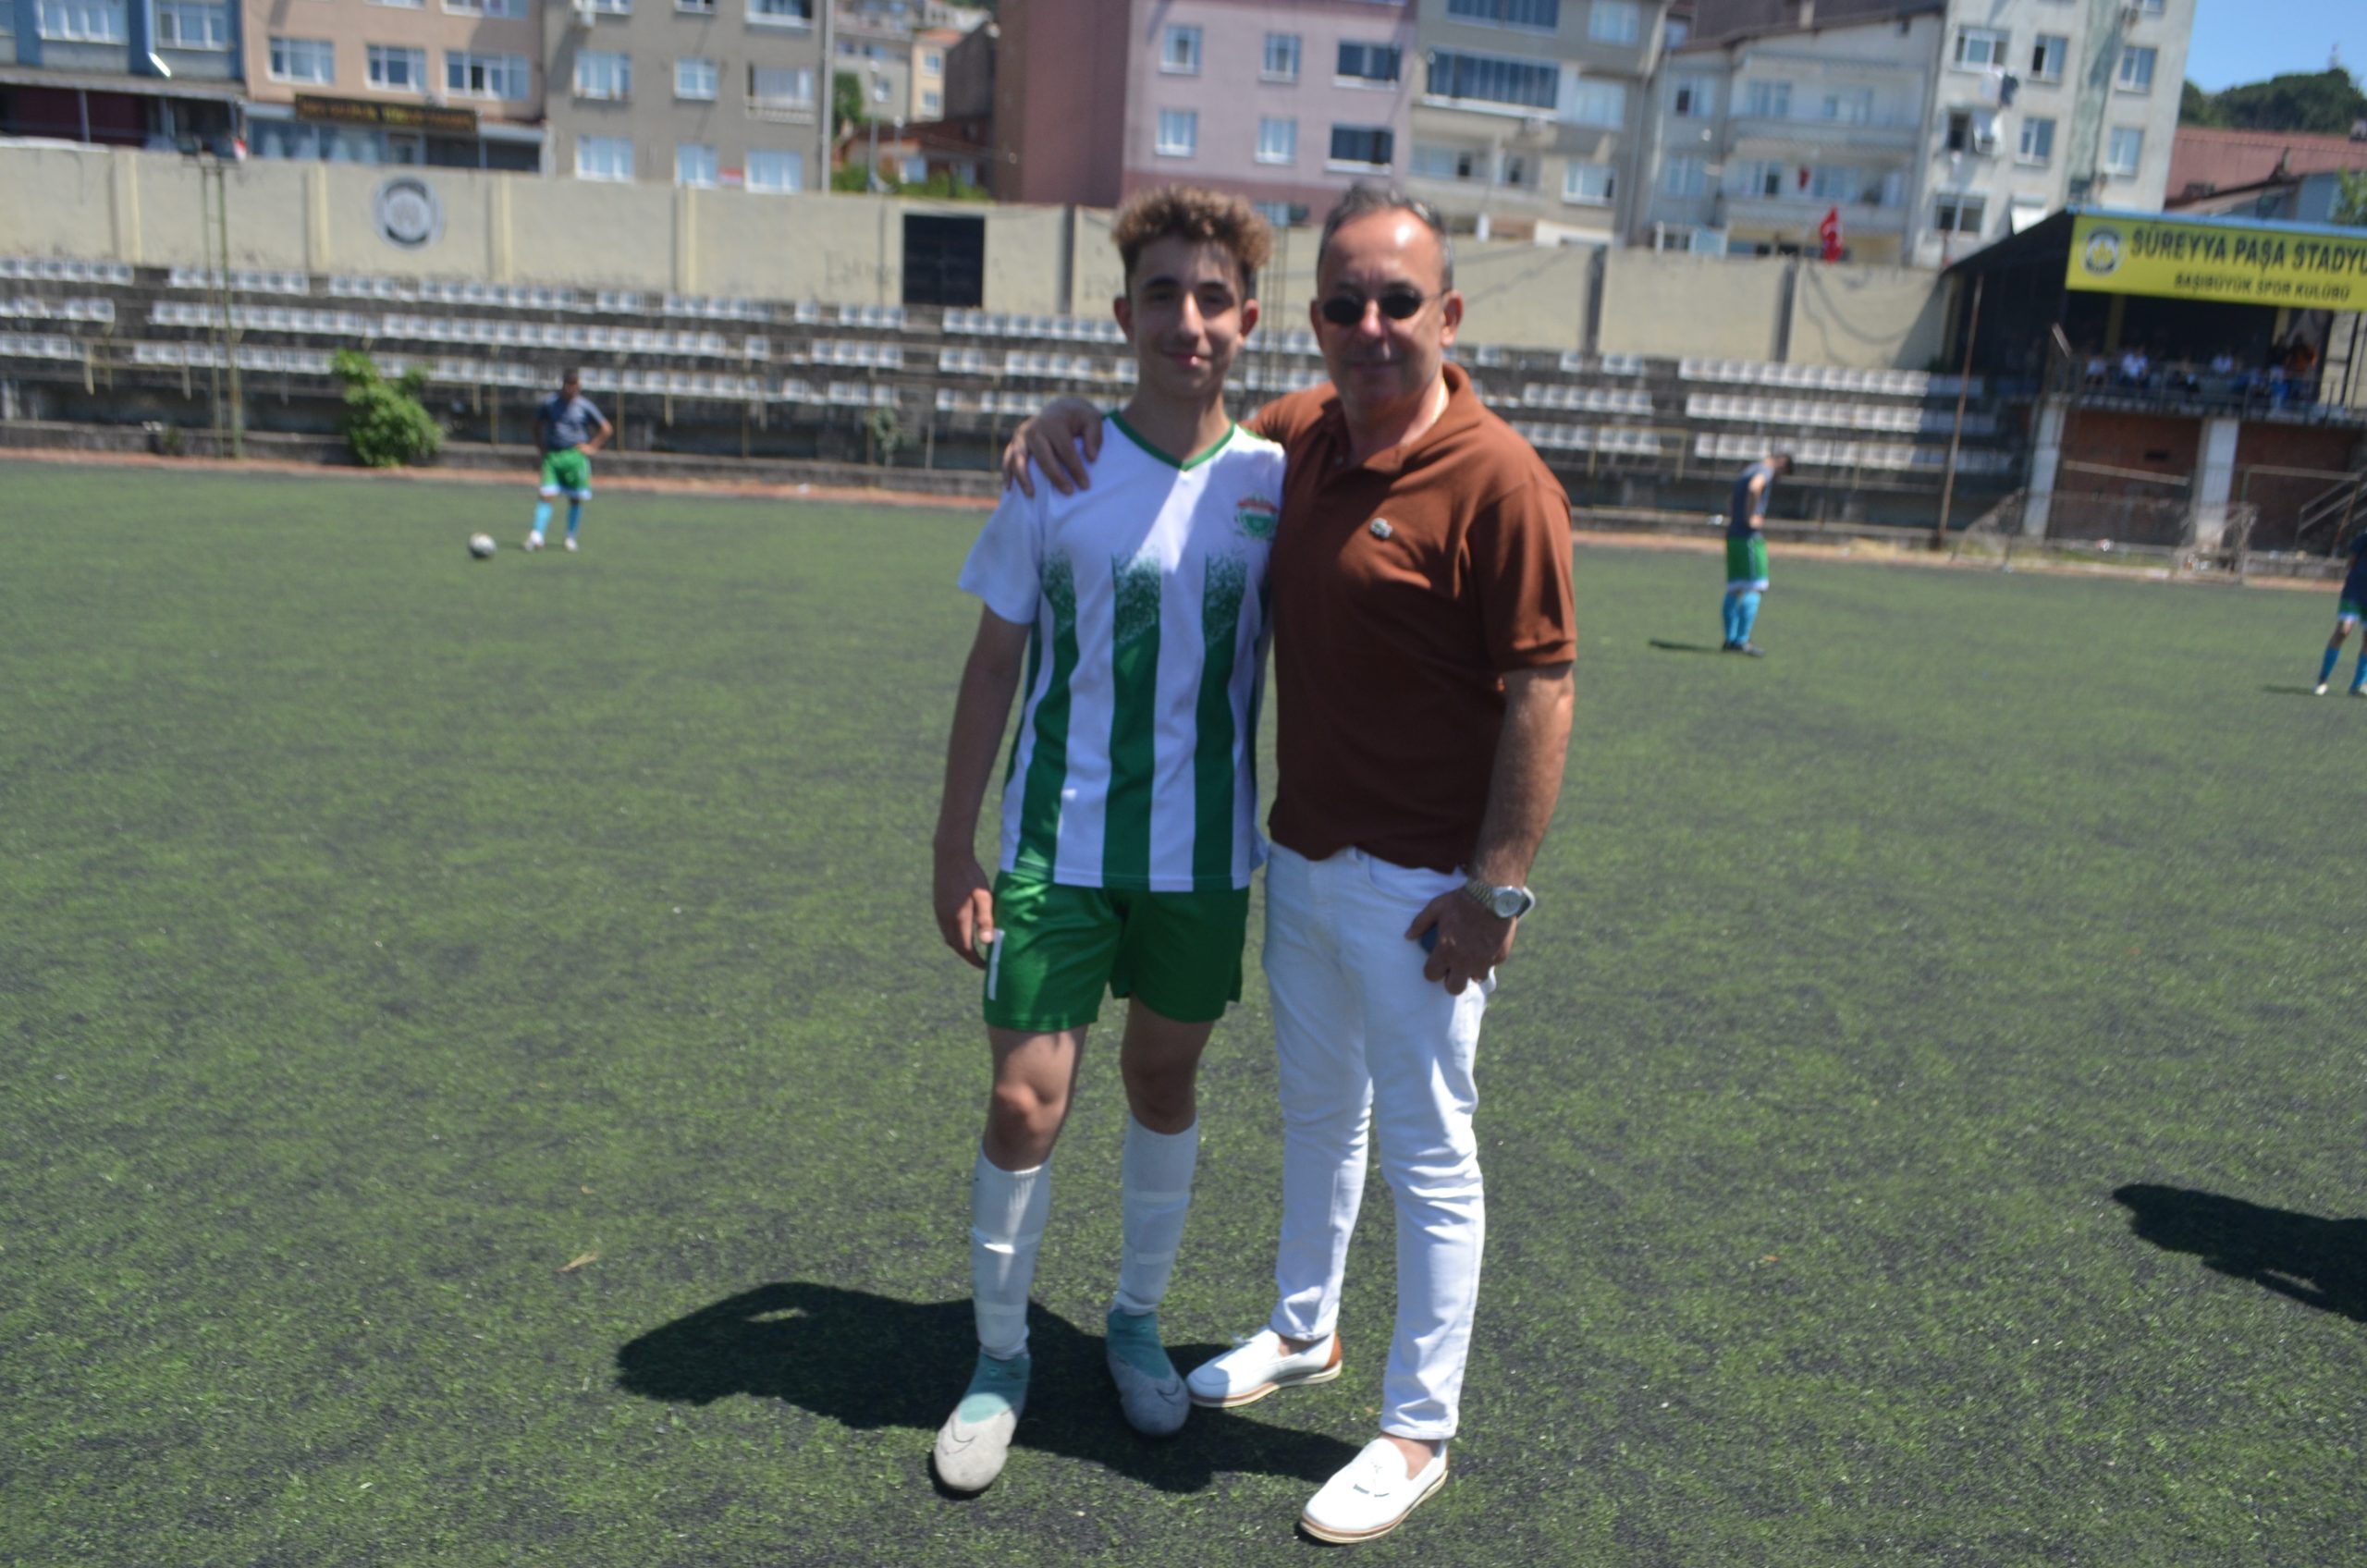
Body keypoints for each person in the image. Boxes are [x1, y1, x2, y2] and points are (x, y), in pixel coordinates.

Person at [1007, 185, 1576, 1544]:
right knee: (1320, 1116)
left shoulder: (1501, 478)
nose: (1371, 327)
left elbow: (1544, 689)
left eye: (1399, 303)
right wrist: (1064, 416)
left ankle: (1417, 1427)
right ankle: (1304, 1327)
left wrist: (1495, 889)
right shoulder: (1304, 433)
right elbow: (1177, 433)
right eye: (1345, 304)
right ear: (1312, 319)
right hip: (1300, 859)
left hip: (1428, 893)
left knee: (1430, 1152)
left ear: (1449, 314)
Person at [928, 187, 1284, 1495]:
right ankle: (999, 1357)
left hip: (1202, 862)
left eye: (1212, 297)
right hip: (1055, 852)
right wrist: (951, 848)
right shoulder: (1059, 468)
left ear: (1248, 319)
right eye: (1163, 294)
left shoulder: (1276, 484)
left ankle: (1134, 1322)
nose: (1187, 320)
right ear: (1123, 312)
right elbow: (992, 668)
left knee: (1161, 1086)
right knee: (1024, 1099)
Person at [527, 370, 611, 552]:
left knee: (575, 499)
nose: (571, 389)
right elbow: (535, 423)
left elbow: (606, 428)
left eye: (574, 385)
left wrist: (592, 447)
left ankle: (570, 537)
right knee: (546, 495)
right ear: (563, 384)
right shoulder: (550, 403)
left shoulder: (585, 406)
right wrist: (540, 446)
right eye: (568, 384)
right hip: (553, 456)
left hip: (575, 457)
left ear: (579, 386)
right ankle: (537, 535)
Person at [1723, 451, 1793, 655]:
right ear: (1782, 463)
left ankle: (1730, 639)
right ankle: (1741, 640)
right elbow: (1755, 487)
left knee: (1734, 588)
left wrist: (1737, 517)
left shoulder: (1748, 469)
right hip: (1748, 538)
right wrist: (1751, 516)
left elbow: (1731, 499)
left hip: (1733, 535)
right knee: (1756, 586)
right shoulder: (1765, 470)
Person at [2312, 528, 2367, 696]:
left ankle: (2358, 685)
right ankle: (2322, 680)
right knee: (2343, 630)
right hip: (2354, 592)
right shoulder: (2363, 537)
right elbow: (2351, 562)